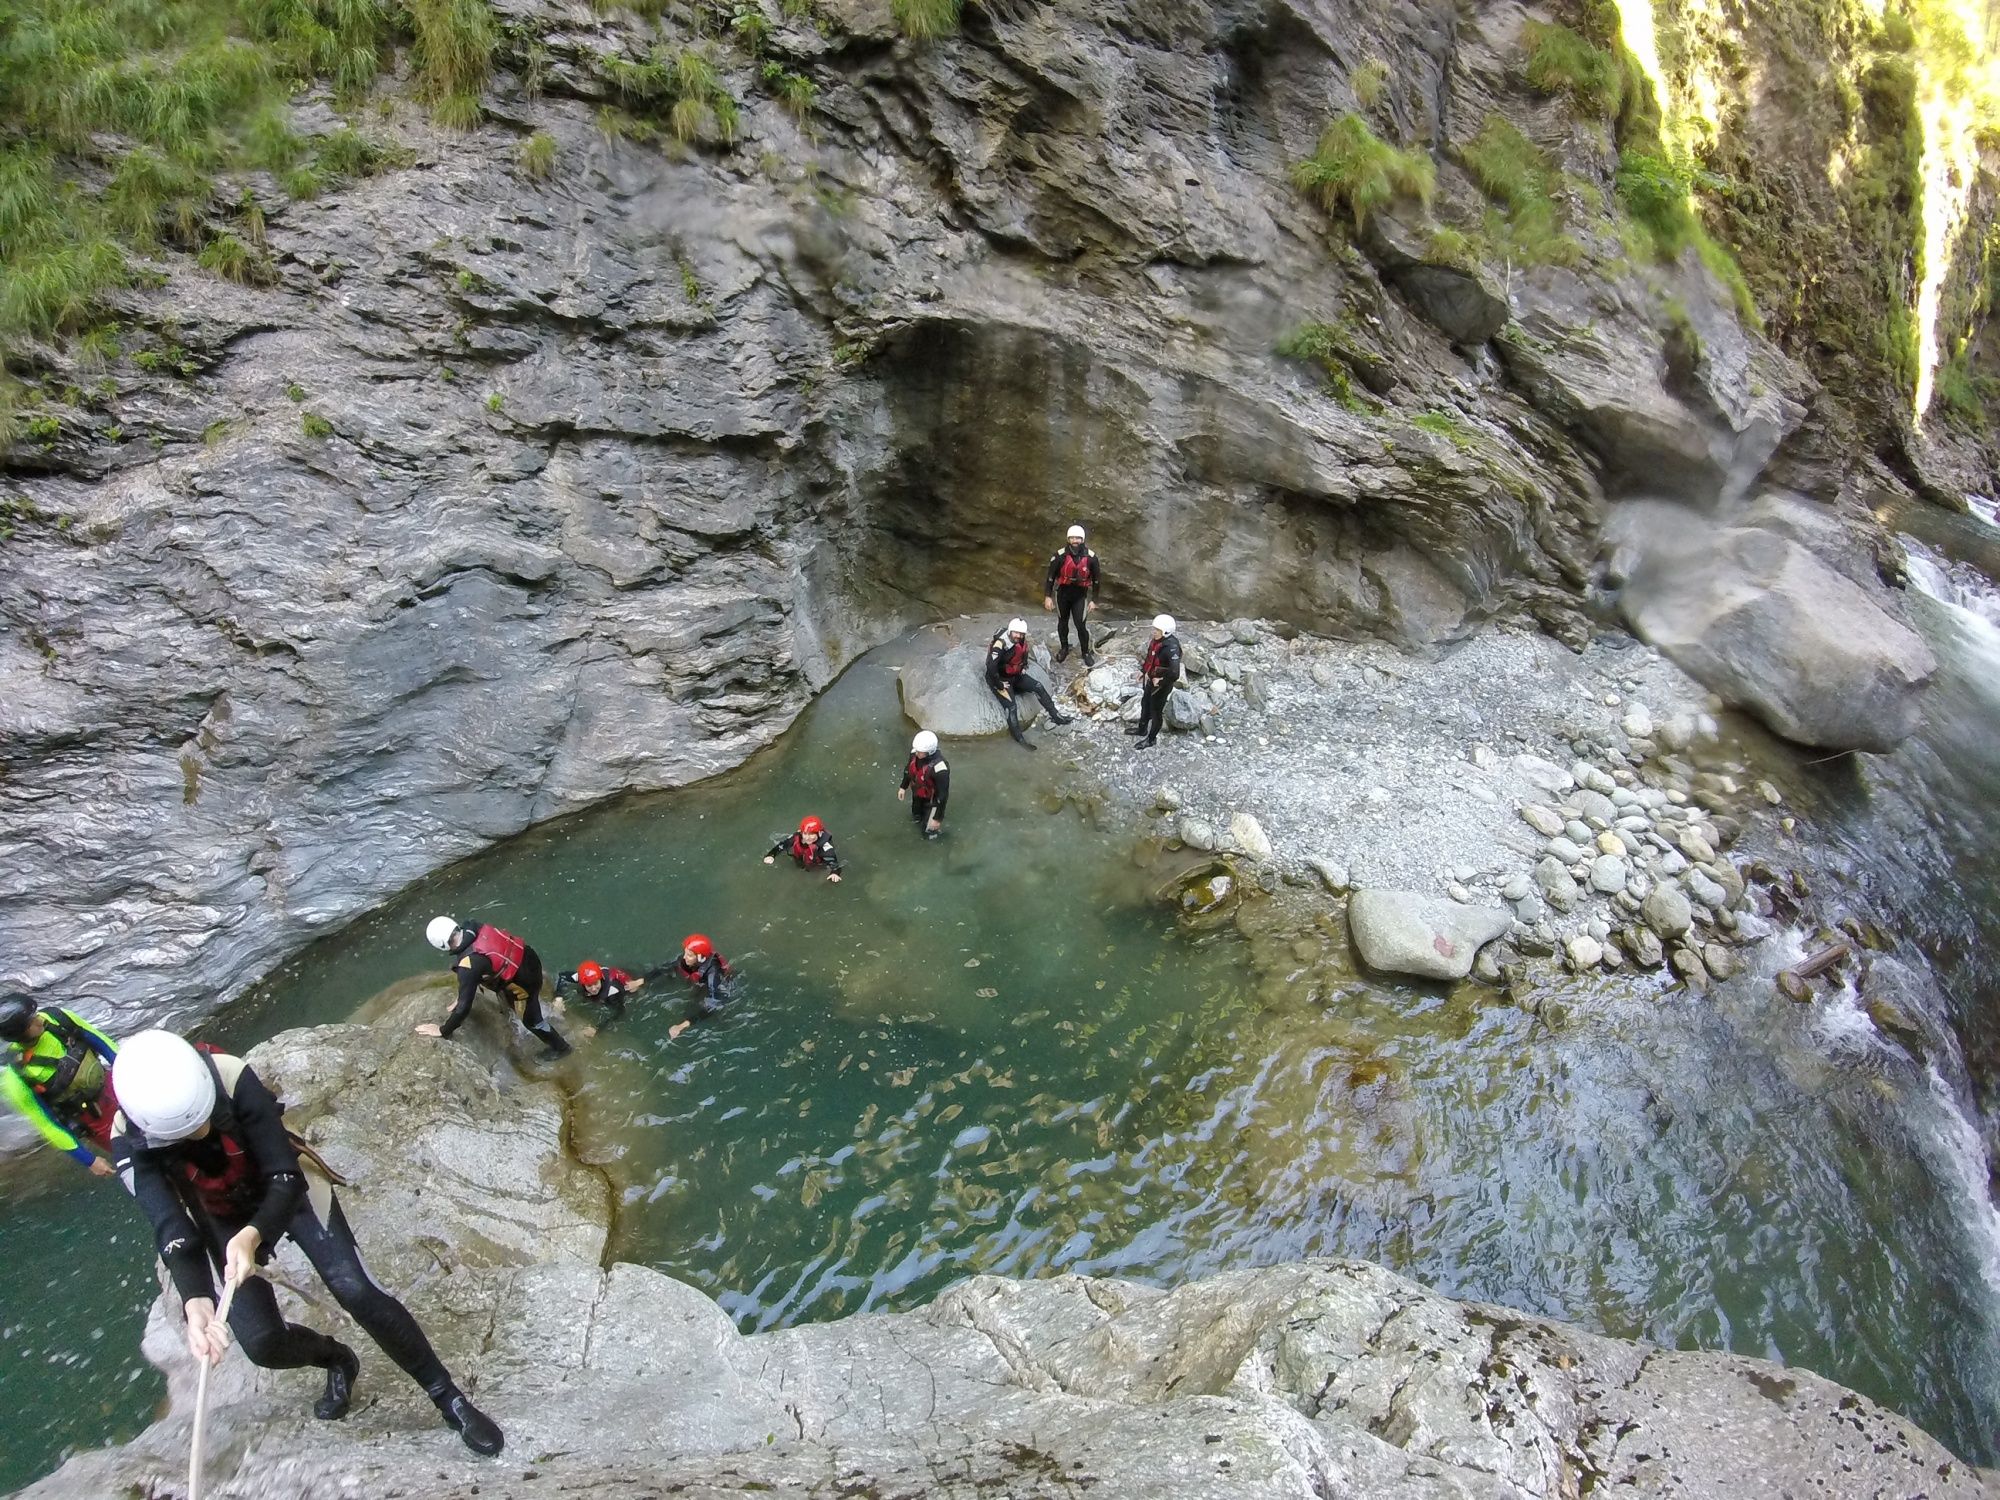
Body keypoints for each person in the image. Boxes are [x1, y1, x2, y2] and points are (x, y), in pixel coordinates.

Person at [110, 1029, 504, 1455]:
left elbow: (285, 1175)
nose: (204, 1130)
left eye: (205, 1118)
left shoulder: (230, 1077)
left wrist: (254, 1234)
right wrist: (196, 1299)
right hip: (219, 1212)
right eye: (188, 1132)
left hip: (285, 1190)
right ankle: (336, 1359)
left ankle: (449, 1398)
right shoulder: (129, 1141)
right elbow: (171, 1225)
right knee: (261, 1343)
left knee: (356, 1288)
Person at [1, 992, 120, 1177]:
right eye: (32, 1022)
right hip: (96, 1120)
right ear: (18, 1035)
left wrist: (132, 1075)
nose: (40, 1019)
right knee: (148, 1158)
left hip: (116, 1087)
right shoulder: (17, 1076)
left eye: (35, 1014)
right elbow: (48, 1124)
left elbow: (106, 1046)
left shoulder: (58, 1019)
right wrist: (89, 1160)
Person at [417, 917, 571, 1058]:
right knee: (511, 996)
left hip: (524, 981)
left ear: (441, 945)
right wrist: (464, 990)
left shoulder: (468, 966)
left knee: (532, 1021)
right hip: (529, 959)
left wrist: (443, 1030)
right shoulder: (472, 926)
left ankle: (562, 1048)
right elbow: (484, 961)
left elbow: (464, 1008)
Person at [985, 617, 1072, 750]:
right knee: (1012, 707)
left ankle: (1056, 716)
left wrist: (1023, 666)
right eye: (1016, 633)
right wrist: (999, 684)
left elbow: (1023, 653)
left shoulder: (1020, 639)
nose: (1018, 636)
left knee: (1038, 687)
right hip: (1000, 678)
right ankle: (1020, 739)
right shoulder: (1000, 643)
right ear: (1010, 631)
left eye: (1021, 634)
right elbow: (991, 666)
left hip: (1015, 675)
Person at [1042, 524, 1101, 666]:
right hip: (1063, 594)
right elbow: (1050, 577)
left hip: (1080, 596)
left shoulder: (1091, 557)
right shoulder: (1059, 556)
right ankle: (1064, 647)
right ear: (1068, 539)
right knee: (1063, 622)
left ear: (1083, 539)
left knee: (1080, 624)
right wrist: (1047, 596)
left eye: (1078, 538)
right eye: (1072, 538)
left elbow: (1097, 580)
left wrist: (1094, 600)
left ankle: (1085, 652)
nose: (1075, 541)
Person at [1132, 613, 1183, 751]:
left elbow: (1175, 673)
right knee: (1145, 703)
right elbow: (1150, 658)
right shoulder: (1156, 641)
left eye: (1157, 630)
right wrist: (1144, 672)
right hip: (1152, 679)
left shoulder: (1171, 647)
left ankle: (1151, 739)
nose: (1153, 632)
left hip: (1162, 685)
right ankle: (1142, 729)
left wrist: (1160, 681)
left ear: (1165, 631)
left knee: (1156, 712)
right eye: (1154, 629)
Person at [667, 935, 733, 1039]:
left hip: (714, 989)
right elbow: (670, 966)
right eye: (685, 953)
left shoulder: (713, 973)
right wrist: (641, 981)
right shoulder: (694, 960)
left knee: (694, 1006)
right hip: (702, 982)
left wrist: (682, 1026)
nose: (684, 957)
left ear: (699, 957)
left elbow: (714, 1003)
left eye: (689, 955)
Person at [553, 960, 644, 1031]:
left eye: (595, 983)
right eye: (589, 985)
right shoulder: (580, 977)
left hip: (625, 986)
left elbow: (620, 1012)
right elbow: (562, 976)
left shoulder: (612, 992)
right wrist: (558, 998)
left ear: (600, 979)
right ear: (583, 983)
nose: (593, 988)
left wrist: (597, 1029)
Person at [899, 730, 950, 838]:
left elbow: (943, 795)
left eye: (920, 752)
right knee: (916, 817)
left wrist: (937, 818)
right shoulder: (915, 754)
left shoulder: (940, 768)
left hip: (932, 802)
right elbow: (908, 769)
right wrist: (903, 787)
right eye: (917, 750)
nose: (916, 753)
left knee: (928, 831)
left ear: (929, 752)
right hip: (918, 795)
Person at [765, 815, 843, 882]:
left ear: (819, 833)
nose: (807, 838)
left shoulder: (825, 847)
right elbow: (782, 845)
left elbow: (834, 864)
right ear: (801, 832)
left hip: (817, 865)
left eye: (812, 834)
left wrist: (835, 873)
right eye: (805, 834)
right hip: (801, 859)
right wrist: (771, 854)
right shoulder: (797, 837)